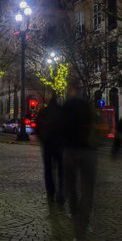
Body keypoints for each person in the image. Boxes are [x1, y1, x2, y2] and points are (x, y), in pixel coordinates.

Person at [61, 85, 101, 239]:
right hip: (88, 151)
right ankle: (83, 220)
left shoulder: (65, 107)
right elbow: (98, 126)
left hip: (70, 151)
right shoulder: (88, 108)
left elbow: (59, 128)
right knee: (87, 187)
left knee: (71, 185)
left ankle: (74, 211)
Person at [35, 93, 65, 206]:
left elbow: (37, 129)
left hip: (47, 145)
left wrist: (43, 140)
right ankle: (61, 191)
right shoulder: (62, 111)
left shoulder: (43, 112)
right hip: (60, 146)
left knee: (48, 170)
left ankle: (51, 194)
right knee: (61, 170)